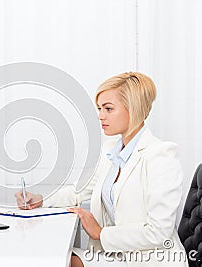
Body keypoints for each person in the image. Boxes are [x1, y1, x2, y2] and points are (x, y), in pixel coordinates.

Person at [15, 72, 188, 266]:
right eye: (99, 108)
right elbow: (78, 191)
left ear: (134, 109)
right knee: (48, 254)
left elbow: (159, 232)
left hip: (150, 261)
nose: (100, 116)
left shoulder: (161, 155)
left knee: (60, 261)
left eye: (108, 108)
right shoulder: (111, 151)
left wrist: (100, 233)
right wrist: (40, 201)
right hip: (116, 255)